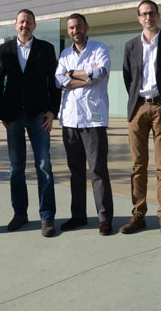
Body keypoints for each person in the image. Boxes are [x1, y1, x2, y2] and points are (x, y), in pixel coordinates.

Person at [121, 0, 161, 235]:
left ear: (158, 16)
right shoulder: (131, 46)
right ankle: (138, 214)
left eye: (151, 13)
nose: (147, 17)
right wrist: (137, 101)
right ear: (138, 18)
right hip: (138, 108)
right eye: (143, 14)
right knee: (138, 165)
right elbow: (128, 78)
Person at [0, 9, 61, 237]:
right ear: (16, 25)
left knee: (44, 166)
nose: (25, 25)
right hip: (13, 117)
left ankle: (47, 217)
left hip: (39, 116)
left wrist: (52, 112)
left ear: (34, 26)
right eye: (22, 22)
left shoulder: (46, 49)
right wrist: (1, 113)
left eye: (29, 22)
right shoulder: (5, 49)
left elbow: (54, 84)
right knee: (16, 168)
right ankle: (20, 214)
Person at [55, 13, 114, 236]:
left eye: (78, 26)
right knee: (76, 171)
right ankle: (78, 216)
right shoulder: (65, 54)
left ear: (86, 26)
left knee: (98, 169)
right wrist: (85, 79)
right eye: (71, 28)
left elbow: (100, 73)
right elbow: (59, 80)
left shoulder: (100, 48)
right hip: (70, 120)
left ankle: (104, 218)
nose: (75, 31)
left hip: (93, 120)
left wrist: (71, 75)